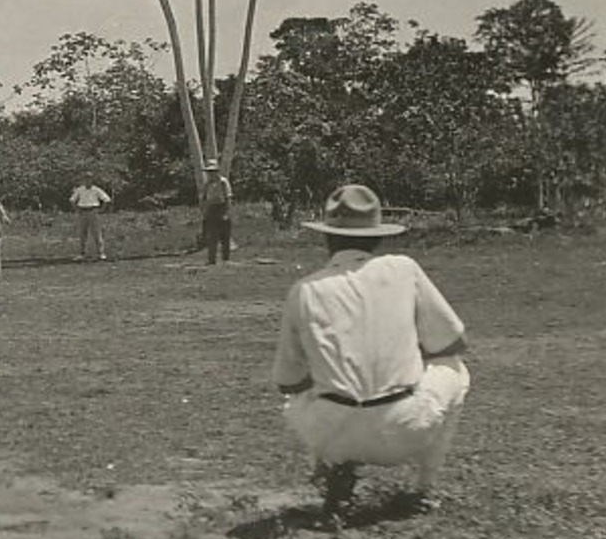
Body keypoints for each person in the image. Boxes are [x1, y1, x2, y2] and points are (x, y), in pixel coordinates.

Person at [271, 184, 471, 520]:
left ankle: (332, 468)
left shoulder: (303, 290)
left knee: (300, 399)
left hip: (331, 434)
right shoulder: (403, 269)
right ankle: (422, 490)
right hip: (404, 428)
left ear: (327, 238)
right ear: (377, 238)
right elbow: (452, 343)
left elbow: (287, 382)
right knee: (456, 370)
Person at [69, 174, 111, 260]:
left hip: (93, 211)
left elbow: (107, 199)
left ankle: (101, 253)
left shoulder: (96, 190)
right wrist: (77, 210)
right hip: (83, 211)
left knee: (97, 233)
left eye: (89, 179)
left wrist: (102, 209)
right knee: (82, 233)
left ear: (92, 180)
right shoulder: (80, 190)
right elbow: (72, 200)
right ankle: (82, 253)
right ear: (83, 180)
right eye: (86, 179)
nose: (87, 181)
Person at [200, 159, 233, 265]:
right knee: (212, 235)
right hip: (211, 209)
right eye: (209, 172)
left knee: (225, 235)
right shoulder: (207, 184)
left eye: (213, 171)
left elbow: (228, 197)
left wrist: (227, 212)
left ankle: (226, 258)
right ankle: (211, 259)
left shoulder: (223, 182)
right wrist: (204, 211)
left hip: (222, 207)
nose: (211, 174)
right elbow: (204, 198)